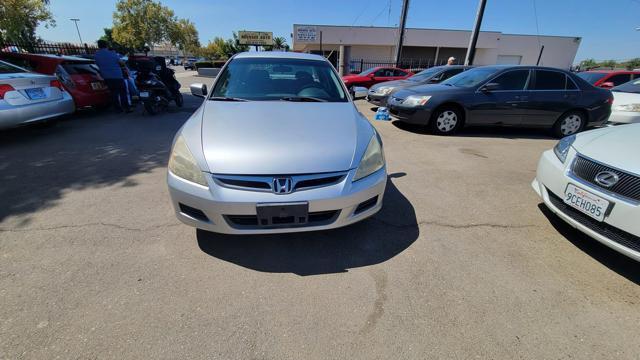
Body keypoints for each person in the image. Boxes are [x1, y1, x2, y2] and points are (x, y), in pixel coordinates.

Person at [94, 40, 131, 112]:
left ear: (98, 46)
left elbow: (97, 65)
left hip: (106, 77)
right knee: (122, 92)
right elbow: (121, 63)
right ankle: (126, 108)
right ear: (106, 45)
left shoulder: (96, 55)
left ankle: (118, 109)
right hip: (117, 75)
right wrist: (124, 61)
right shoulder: (112, 53)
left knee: (113, 93)